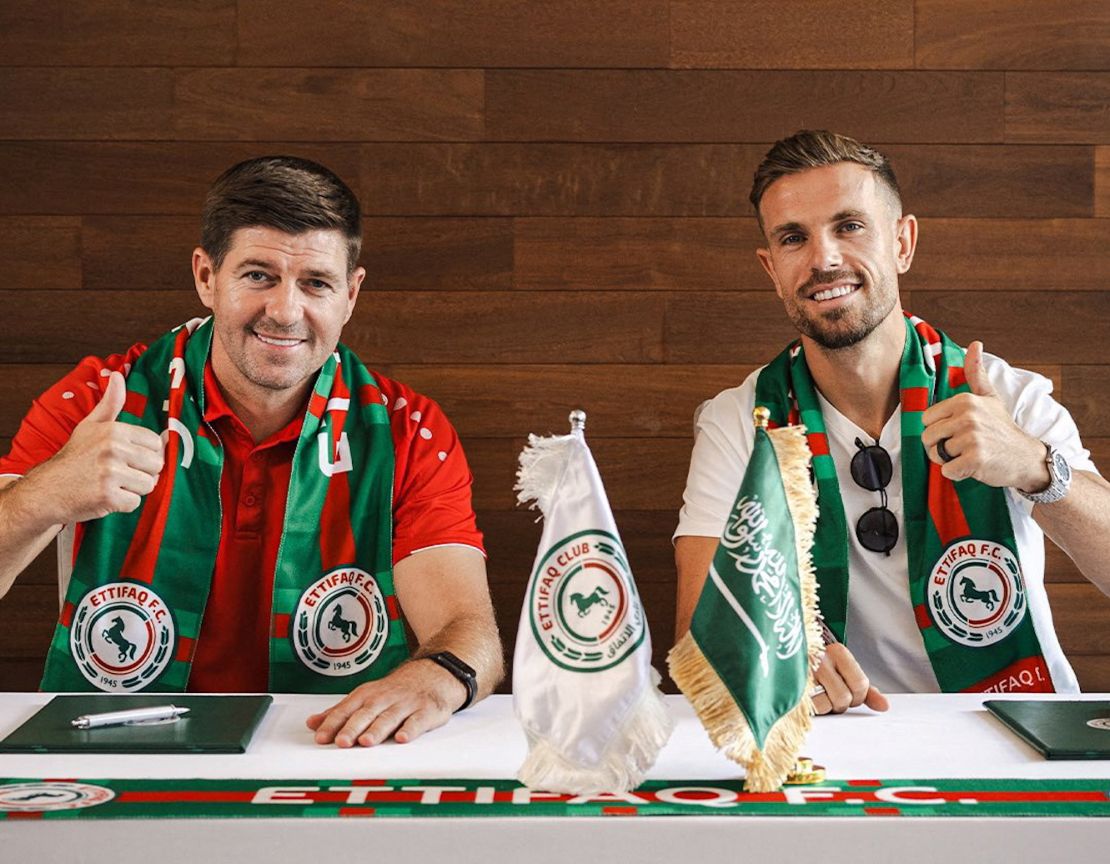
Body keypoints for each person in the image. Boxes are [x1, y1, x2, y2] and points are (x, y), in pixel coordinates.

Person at [0, 156, 503, 746]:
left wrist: (434, 678)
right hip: (124, 740)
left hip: (322, 743)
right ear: (206, 277)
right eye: (258, 275)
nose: (286, 311)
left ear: (351, 294)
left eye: (315, 282)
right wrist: (44, 495)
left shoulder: (405, 428)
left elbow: (468, 631)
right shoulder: (97, 399)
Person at [674, 130, 1110, 714]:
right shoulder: (740, 420)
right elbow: (697, 635)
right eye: (793, 238)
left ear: (902, 242)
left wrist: (1035, 466)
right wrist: (779, 652)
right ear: (771, 269)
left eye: (849, 226)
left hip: (1017, 724)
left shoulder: (1007, 396)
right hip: (845, 733)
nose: (823, 258)